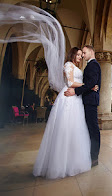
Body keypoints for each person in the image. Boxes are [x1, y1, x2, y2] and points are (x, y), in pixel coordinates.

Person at [33, 47, 98, 179]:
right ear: (73, 55)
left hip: (76, 99)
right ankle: (60, 163)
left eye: (82, 55)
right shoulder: (68, 64)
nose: (80, 57)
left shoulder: (75, 66)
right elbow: (69, 82)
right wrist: (88, 85)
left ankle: (73, 161)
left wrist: (85, 86)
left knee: (75, 129)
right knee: (66, 128)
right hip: (69, 98)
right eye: (78, 55)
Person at [65, 45, 101, 167]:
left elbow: (91, 82)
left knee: (93, 129)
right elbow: (89, 83)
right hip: (86, 100)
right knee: (87, 129)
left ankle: (94, 158)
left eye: (84, 53)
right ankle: (87, 155)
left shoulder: (93, 65)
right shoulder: (89, 65)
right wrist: (89, 85)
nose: (83, 56)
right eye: (81, 54)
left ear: (91, 51)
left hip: (90, 101)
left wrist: (75, 91)